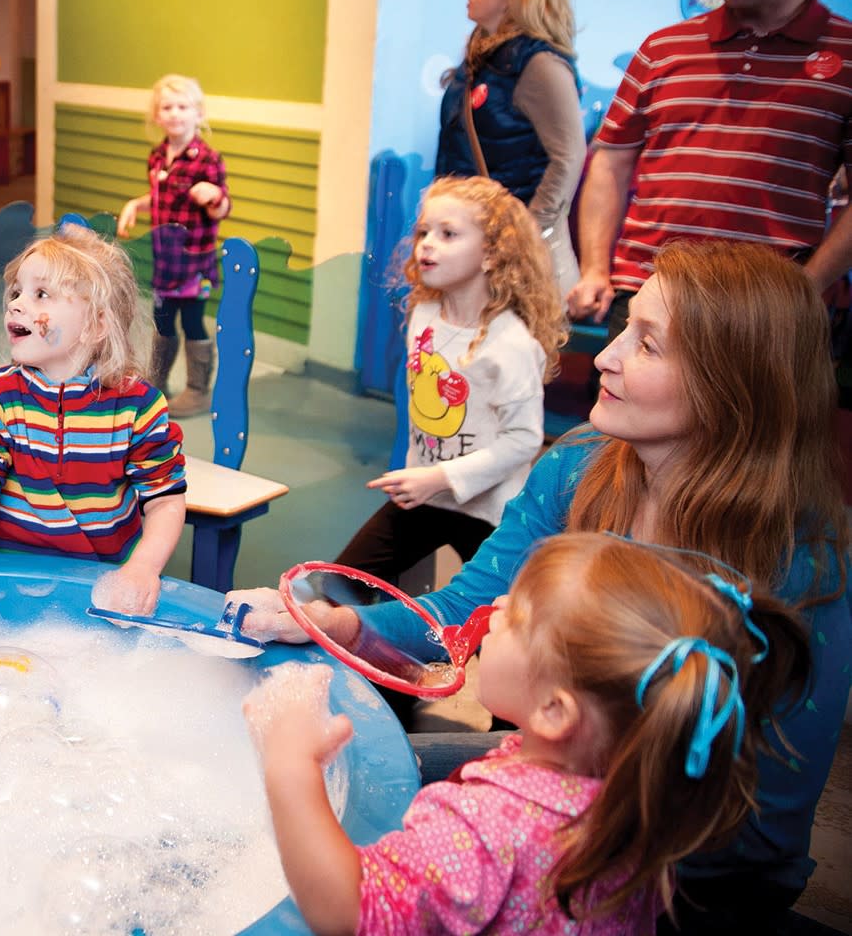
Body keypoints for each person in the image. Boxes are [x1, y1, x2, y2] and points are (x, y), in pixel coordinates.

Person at [240, 241, 852, 932]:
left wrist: (528, 846)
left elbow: (765, 824)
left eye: (647, 345)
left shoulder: (810, 561)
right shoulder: (577, 467)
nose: (605, 357)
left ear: (733, 384)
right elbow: (460, 611)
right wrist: (342, 623)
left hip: (696, 879)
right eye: (625, 325)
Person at [243, 532, 812, 935]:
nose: (494, 607)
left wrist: (290, 762)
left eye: (517, 618)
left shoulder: (484, 825)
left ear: (557, 712)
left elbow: (347, 912)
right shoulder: (635, 795)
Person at [568, 0, 852, 334]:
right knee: (620, 407)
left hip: (762, 312)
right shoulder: (663, 48)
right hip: (646, 294)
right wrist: (596, 269)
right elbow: (611, 161)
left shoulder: (844, 53)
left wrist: (808, 284)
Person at [0, 226, 188, 674]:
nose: (17, 304)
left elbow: (165, 499)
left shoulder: (137, 406)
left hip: (99, 585)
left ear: (98, 324)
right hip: (9, 581)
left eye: (42, 294)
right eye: (17, 291)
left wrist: (142, 567)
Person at [333, 176, 568, 592]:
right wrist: (425, 480)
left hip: (488, 512)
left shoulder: (510, 344)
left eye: (448, 234)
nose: (427, 244)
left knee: (490, 623)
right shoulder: (424, 314)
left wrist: (440, 477)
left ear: (492, 254)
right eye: (424, 232)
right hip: (424, 496)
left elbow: (524, 439)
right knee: (335, 586)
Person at [435, 0, 586, 294]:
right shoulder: (482, 60)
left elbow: (569, 156)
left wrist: (527, 231)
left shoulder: (539, 64)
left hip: (519, 256)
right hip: (477, 241)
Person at [116, 74, 233, 417]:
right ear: (156, 115)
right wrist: (134, 206)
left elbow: (222, 207)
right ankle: (159, 384)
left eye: (183, 107)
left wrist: (215, 197)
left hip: (195, 263)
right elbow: (160, 198)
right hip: (166, 262)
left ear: (198, 114)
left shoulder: (206, 159)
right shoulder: (157, 157)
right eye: (167, 107)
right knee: (163, 321)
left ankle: (197, 391)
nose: (175, 113)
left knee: (193, 322)